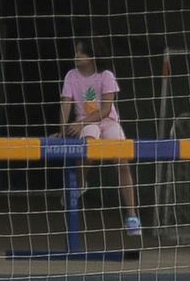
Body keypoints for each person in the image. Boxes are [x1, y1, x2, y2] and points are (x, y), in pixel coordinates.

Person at [60, 37, 142, 237]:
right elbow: (66, 104)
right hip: (86, 123)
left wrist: (80, 122)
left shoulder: (106, 76)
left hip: (107, 121)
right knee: (89, 145)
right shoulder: (71, 76)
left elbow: (106, 109)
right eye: (76, 52)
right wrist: (63, 129)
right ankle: (80, 183)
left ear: (93, 56)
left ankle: (132, 215)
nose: (77, 56)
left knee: (122, 160)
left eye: (82, 53)